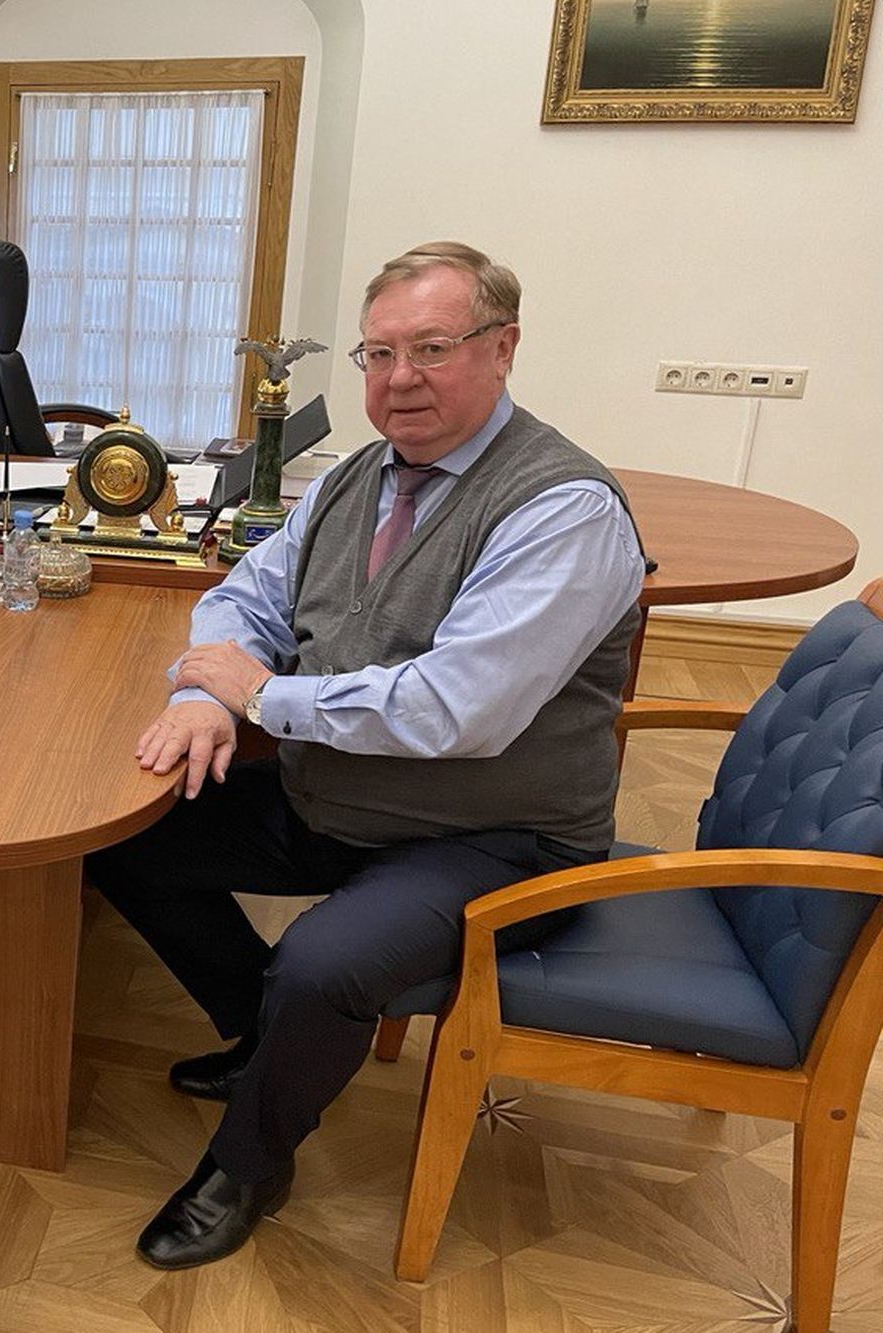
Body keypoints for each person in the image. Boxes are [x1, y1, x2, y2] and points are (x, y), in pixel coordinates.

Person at [86, 242, 647, 1270]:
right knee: (122, 834)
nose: (399, 379)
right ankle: (266, 1041)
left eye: (431, 348)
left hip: (496, 839)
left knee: (322, 963)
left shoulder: (562, 508)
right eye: (378, 353)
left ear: (503, 349)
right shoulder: (355, 476)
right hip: (339, 799)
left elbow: (458, 710)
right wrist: (202, 694)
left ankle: (249, 1164)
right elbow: (247, 598)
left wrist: (258, 695)